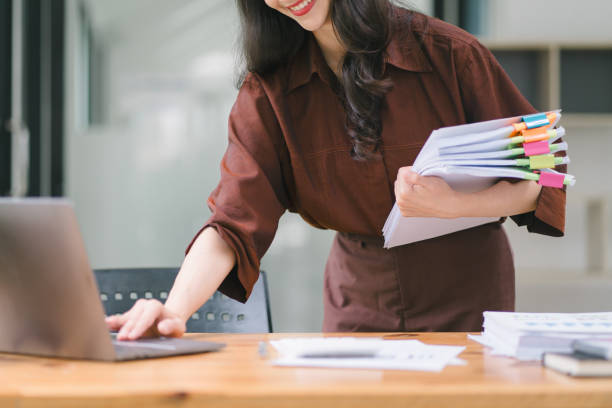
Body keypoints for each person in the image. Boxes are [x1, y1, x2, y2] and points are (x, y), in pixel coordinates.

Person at [106, 0, 566, 340]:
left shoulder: (451, 54)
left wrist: (457, 204)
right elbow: (232, 223)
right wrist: (174, 310)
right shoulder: (270, 91)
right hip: (359, 296)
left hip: (468, 292)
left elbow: (546, 176)